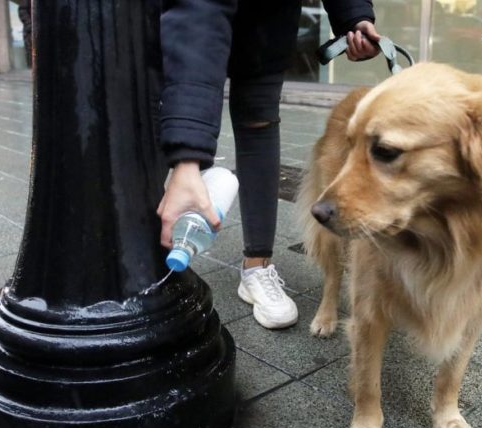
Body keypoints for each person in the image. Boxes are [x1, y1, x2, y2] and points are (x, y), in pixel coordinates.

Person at [158, 1, 380, 329]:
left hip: (267, 26)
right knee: (174, 113)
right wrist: (186, 159)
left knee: (259, 125)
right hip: (193, 15)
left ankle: (257, 268)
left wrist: (354, 16)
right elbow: (195, 26)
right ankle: (154, 261)